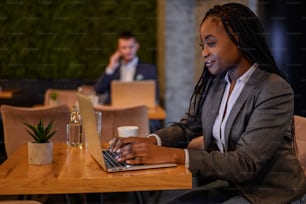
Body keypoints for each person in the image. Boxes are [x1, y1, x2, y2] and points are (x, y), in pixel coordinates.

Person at [109, 3, 306, 203]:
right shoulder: (216, 84)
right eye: (203, 45)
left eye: (211, 43)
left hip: (267, 194)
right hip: (231, 186)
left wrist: (172, 155)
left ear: (237, 37)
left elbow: (246, 163)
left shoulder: (273, 88)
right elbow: (187, 127)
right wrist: (150, 142)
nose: (204, 52)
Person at [94, 31, 159, 105]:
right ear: (119, 49)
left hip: (138, 111)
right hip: (115, 111)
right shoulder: (114, 69)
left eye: (131, 47)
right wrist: (110, 68)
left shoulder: (149, 69)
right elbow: (98, 90)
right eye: (124, 47)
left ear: (137, 46)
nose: (128, 51)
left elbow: (155, 96)